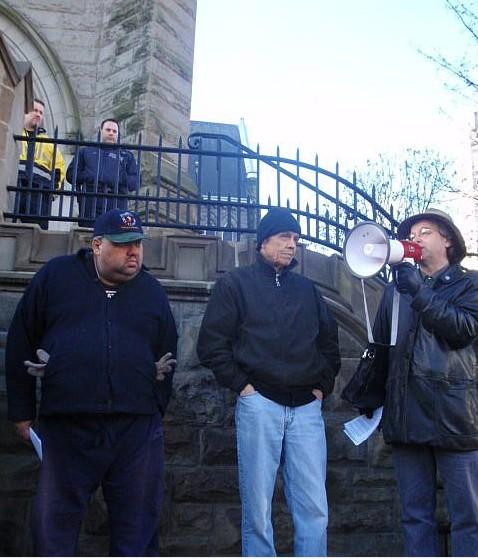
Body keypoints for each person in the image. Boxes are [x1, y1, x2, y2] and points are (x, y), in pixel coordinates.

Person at [6, 208, 178, 556]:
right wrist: (22, 412)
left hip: (136, 430)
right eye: (124, 244)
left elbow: (168, 350)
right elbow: (20, 340)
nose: (134, 252)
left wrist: (154, 406)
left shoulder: (151, 291)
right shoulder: (57, 278)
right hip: (69, 426)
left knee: (138, 530)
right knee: (54, 528)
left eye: (139, 244)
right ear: (97, 244)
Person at [197, 207, 341, 557]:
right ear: (263, 242)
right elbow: (211, 345)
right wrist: (245, 388)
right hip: (259, 404)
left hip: (306, 408)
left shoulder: (307, 290)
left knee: (314, 509)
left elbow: (329, 344)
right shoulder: (235, 284)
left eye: (295, 239)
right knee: (258, 509)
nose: (292, 245)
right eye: (284, 237)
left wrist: (321, 387)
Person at [349, 208, 478, 556]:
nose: (415, 239)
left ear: (448, 240)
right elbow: (381, 347)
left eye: (425, 232)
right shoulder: (396, 291)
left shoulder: (471, 284)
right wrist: (372, 395)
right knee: (415, 516)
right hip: (407, 417)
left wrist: (420, 292)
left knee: (469, 516)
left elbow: (462, 330)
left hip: (456, 418)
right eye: (411, 234)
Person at [66, 118, 139, 227]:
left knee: (113, 237)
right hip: (90, 200)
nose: (111, 133)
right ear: (101, 131)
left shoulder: (126, 155)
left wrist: (118, 178)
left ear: (118, 135)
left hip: (116, 201)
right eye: (108, 130)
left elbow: (135, 182)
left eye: (114, 131)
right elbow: (70, 174)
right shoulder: (86, 151)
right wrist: (89, 176)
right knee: (89, 236)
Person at [16, 98, 66, 230]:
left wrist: (53, 190)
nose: (38, 114)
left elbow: (59, 168)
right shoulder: (14, 133)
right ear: (25, 112)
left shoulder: (49, 143)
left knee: (35, 234)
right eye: (35, 110)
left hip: (39, 194)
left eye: (41, 112)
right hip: (14, 187)